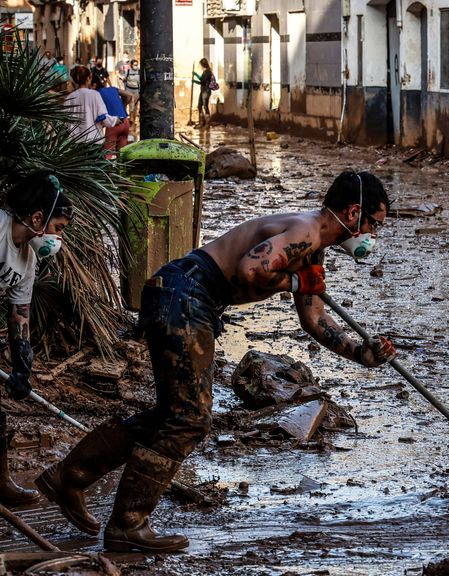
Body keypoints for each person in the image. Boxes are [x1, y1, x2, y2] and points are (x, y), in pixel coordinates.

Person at [36, 171, 398, 553]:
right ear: (354, 212)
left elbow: (315, 319)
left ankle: (72, 475)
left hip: (185, 296)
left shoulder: (314, 246)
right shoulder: (305, 231)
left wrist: (360, 352)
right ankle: (127, 522)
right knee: (189, 418)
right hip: (185, 294)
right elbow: (250, 269)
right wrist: (294, 283)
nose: (373, 234)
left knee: (173, 415)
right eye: (374, 224)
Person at [0, 173, 74, 508]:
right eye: (58, 228)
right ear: (36, 219)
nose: (59, 237)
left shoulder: (27, 260)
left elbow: (19, 316)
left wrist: (22, 366)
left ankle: (0, 483)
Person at [65, 66, 116, 143]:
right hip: (94, 140)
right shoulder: (95, 94)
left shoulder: (70, 97)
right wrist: (116, 120)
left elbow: (66, 120)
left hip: (76, 142)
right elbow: (103, 116)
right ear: (89, 78)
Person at [97, 78, 136, 151]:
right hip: (125, 121)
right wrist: (123, 106)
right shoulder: (113, 89)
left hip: (114, 123)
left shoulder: (96, 93)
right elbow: (130, 95)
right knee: (121, 154)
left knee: (108, 153)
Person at [193, 58, 215, 127]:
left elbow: (202, 80)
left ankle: (207, 123)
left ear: (203, 64)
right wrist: (195, 81)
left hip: (206, 91)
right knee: (199, 106)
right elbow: (202, 82)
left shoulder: (208, 72)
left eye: (200, 64)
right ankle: (202, 122)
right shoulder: (205, 71)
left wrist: (196, 75)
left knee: (205, 106)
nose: (200, 66)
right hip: (203, 90)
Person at [123, 60, 141, 127]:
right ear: (131, 65)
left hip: (136, 91)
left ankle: (133, 120)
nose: (136, 66)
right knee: (131, 105)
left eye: (137, 65)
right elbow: (124, 80)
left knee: (135, 106)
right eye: (134, 65)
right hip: (129, 90)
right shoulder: (128, 71)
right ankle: (129, 119)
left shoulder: (139, 72)